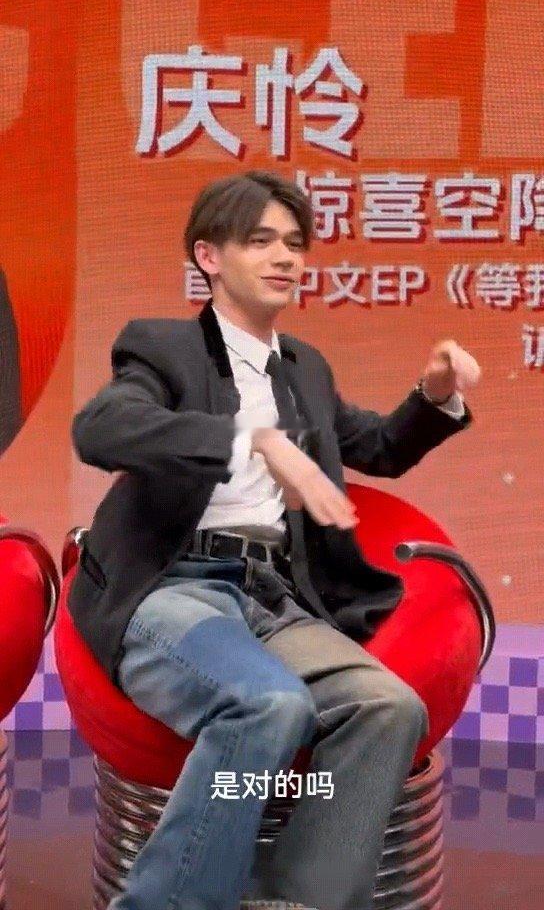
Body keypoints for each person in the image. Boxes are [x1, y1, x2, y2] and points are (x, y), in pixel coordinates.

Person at [69, 170, 481, 910]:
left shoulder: (304, 370)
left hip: (274, 601)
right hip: (174, 589)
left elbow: (379, 448)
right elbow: (102, 429)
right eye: (260, 241)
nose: (285, 256)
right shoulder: (164, 348)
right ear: (209, 256)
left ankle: (299, 900)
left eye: (294, 243)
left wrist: (435, 395)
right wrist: (252, 439)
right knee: (269, 705)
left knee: (389, 707)